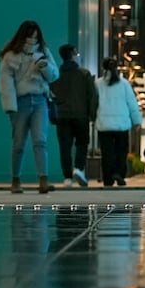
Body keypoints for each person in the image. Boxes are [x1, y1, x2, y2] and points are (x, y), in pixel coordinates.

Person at [0, 20, 60, 194]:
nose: (32, 40)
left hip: (40, 99)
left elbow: (54, 75)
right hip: (21, 102)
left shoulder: (43, 52)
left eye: (35, 36)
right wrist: (10, 106)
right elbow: (5, 83)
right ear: (22, 36)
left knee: (40, 140)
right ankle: (15, 180)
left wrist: (45, 67)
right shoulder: (11, 55)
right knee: (18, 143)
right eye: (29, 36)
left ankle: (43, 180)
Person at [49, 44, 98, 188]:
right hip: (80, 115)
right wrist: (92, 114)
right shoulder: (84, 74)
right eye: (76, 53)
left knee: (64, 147)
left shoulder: (56, 74)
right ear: (72, 54)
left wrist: (53, 115)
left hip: (62, 116)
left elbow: (51, 96)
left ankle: (67, 178)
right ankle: (78, 168)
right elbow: (92, 96)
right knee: (82, 143)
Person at [95, 57, 142, 187]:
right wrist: (137, 121)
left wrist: (93, 118)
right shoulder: (124, 84)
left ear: (103, 68)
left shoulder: (98, 84)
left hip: (104, 124)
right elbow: (132, 103)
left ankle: (108, 178)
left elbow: (93, 103)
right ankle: (119, 173)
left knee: (107, 152)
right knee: (121, 150)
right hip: (122, 123)